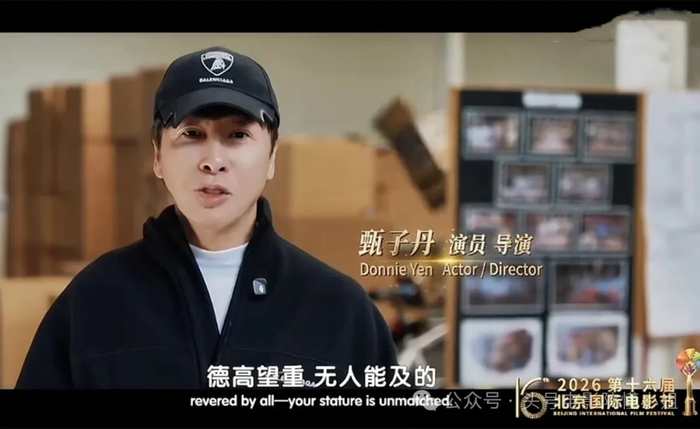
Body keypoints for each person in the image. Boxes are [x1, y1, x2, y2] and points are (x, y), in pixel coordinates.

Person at [16, 47, 397, 389]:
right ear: (158, 157)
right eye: (192, 133)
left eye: (237, 135)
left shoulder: (338, 310)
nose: (213, 161)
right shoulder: (95, 301)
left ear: (272, 157)